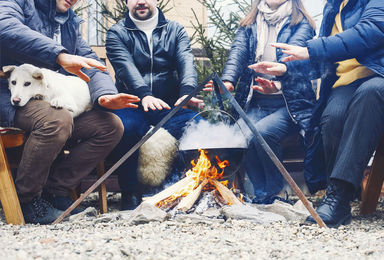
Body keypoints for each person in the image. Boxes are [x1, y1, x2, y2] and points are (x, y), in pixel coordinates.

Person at [251, 0, 384, 227]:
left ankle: (338, 196)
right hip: (348, 84)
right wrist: (286, 69)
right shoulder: (334, 7)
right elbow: (325, 57)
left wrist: (311, 48)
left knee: (370, 93)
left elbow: (369, 32)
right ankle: (339, 200)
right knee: (332, 118)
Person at [0, 0, 140, 224]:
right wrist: (59, 55)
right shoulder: (18, 2)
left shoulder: (69, 22)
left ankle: (55, 191)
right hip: (9, 96)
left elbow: (90, 63)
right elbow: (5, 27)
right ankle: (27, 200)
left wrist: (104, 95)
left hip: (51, 96)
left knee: (110, 126)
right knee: (56, 119)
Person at [205, 0, 317, 204]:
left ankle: (276, 193)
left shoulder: (301, 24)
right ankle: (261, 194)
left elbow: (294, 62)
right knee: (241, 137)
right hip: (256, 101)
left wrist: (277, 85)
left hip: (290, 104)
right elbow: (237, 52)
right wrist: (228, 81)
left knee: (262, 134)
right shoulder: (249, 23)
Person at [105, 0, 204, 210]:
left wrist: (186, 93)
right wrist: (144, 95)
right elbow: (124, 66)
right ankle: (129, 193)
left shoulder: (174, 30)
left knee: (197, 124)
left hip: (168, 105)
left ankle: (178, 187)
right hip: (130, 103)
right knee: (126, 128)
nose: (141, 2)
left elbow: (186, 60)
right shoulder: (117, 32)